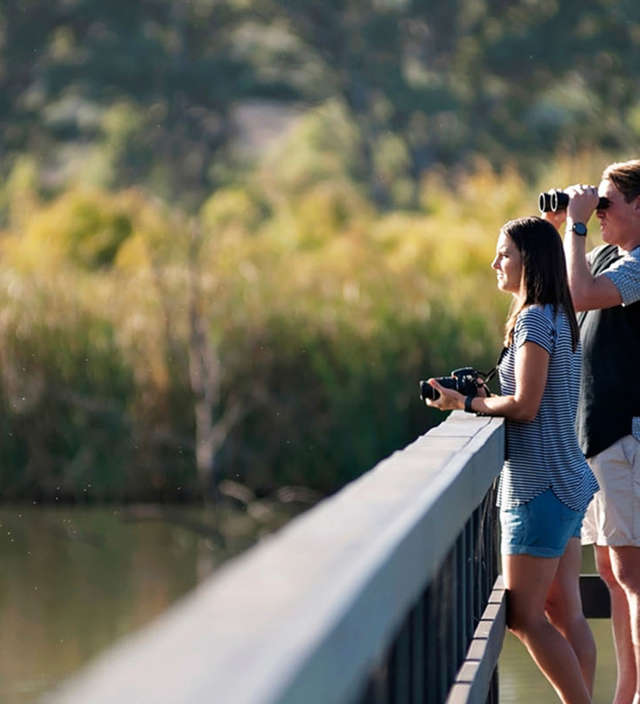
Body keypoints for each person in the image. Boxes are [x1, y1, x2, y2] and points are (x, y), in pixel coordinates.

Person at [425, 216, 599, 704]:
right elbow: (535, 397)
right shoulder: (559, 317)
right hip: (566, 480)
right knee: (567, 613)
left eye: (505, 253)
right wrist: (486, 396)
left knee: (523, 617)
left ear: (531, 261)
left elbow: (525, 405)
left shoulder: (533, 319)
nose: (495, 262)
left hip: (538, 486)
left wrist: (467, 404)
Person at [544, 160, 640, 704]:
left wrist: (580, 227)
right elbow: (559, 288)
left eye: (608, 204)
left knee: (633, 571)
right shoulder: (608, 256)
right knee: (610, 569)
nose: (600, 214)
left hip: (627, 437)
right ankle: (625, 695)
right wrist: (563, 228)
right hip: (599, 438)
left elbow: (579, 295)